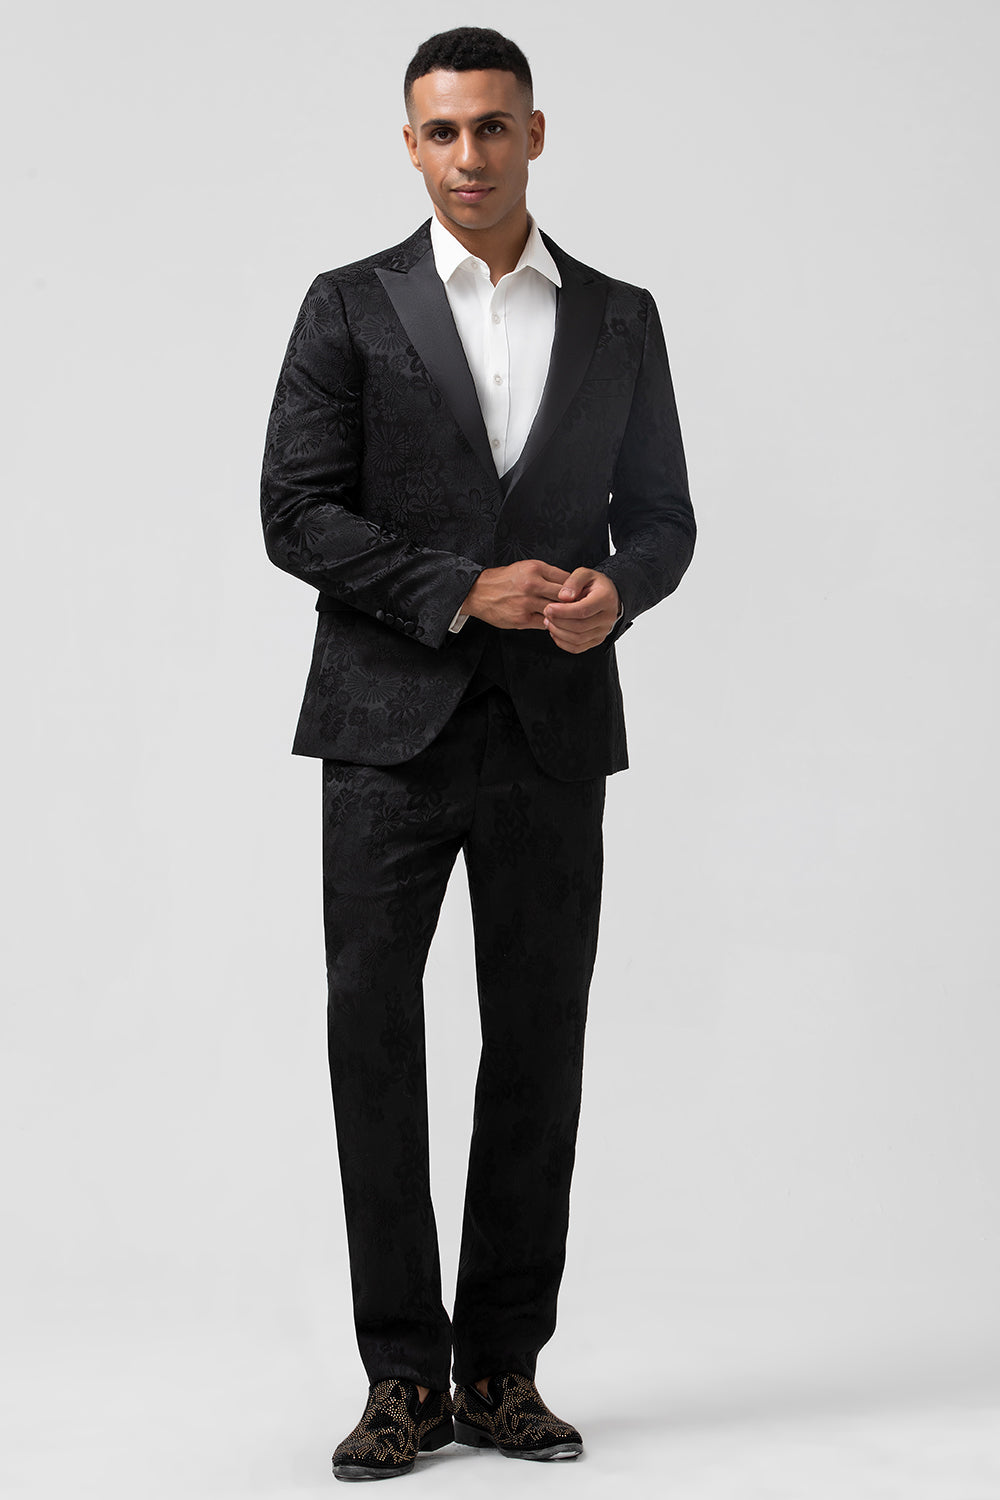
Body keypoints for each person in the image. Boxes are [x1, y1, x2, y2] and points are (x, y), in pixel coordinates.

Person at [260, 25, 695, 1482]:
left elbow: (665, 516)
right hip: (386, 734)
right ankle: (402, 1380)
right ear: (410, 144)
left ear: (535, 135)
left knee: (538, 1047)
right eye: (442, 131)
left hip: (552, 736)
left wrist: (617, 591)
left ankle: (503, 1372)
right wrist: (460, 589)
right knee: (374, 1043)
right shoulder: (348, 306)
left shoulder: (620, 317)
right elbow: (294, 510)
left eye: (492, 127)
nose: (469, 156)